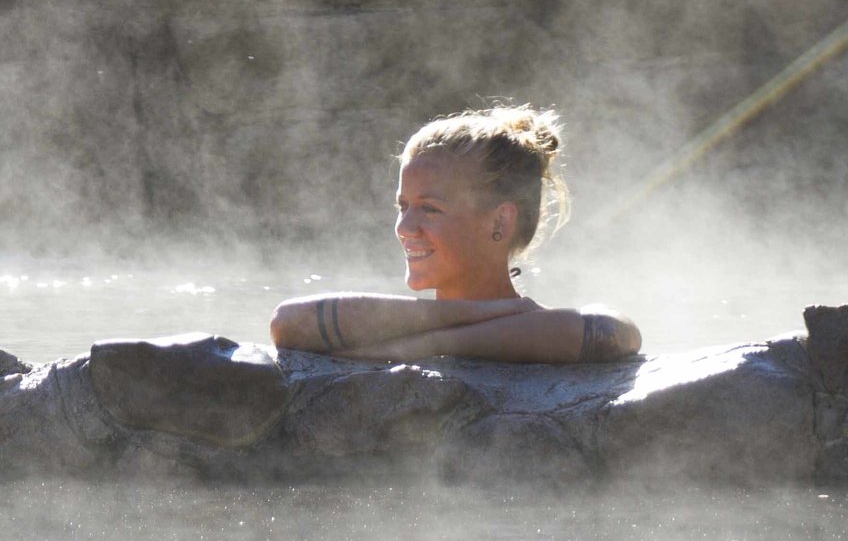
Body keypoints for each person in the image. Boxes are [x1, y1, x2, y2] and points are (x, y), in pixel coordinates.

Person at [268, 103, 641, 364]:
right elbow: (287, 323)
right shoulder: (523, 321)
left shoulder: (548, 329)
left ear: (499, 223)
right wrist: (480, 314)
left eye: (429, 209)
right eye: (403, 207)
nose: (404, 228)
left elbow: (619, 332)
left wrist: (431, 345)